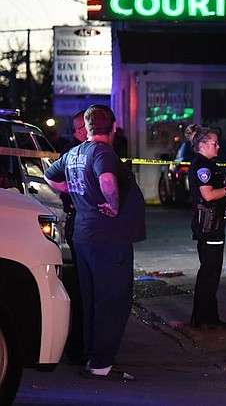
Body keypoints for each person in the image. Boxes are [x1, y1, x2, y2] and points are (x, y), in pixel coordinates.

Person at [44, 104, 146, 380]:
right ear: (112, 128)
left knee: (91, 300)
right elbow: (107, 180)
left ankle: (93, 358)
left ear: (86, 128)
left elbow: (50, 176)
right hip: (108, 238)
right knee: (112, 300)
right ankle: (102, 364)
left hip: (85, 236)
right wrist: (112, 206)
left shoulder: (74, 153)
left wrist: (76, 191)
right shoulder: (103, 152)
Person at [186, 124, 226, 330]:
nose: (218, 146)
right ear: (202, 145)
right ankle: (205, 318)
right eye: (214, 143)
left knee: (210, 272)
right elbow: (208, 194)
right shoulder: (203, 166)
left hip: (212, 225)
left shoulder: (209, 165)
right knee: (210, 273)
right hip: (210, 226)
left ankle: (204, 316)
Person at [60, 109, 87, 363]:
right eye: (83, 128)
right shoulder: (73, 153)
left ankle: (82, 344)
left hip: (82, 222)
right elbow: (53, 178)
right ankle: (77, 346)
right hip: (79, 222)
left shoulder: (89, 151)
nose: (86, 132)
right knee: (81, 287)